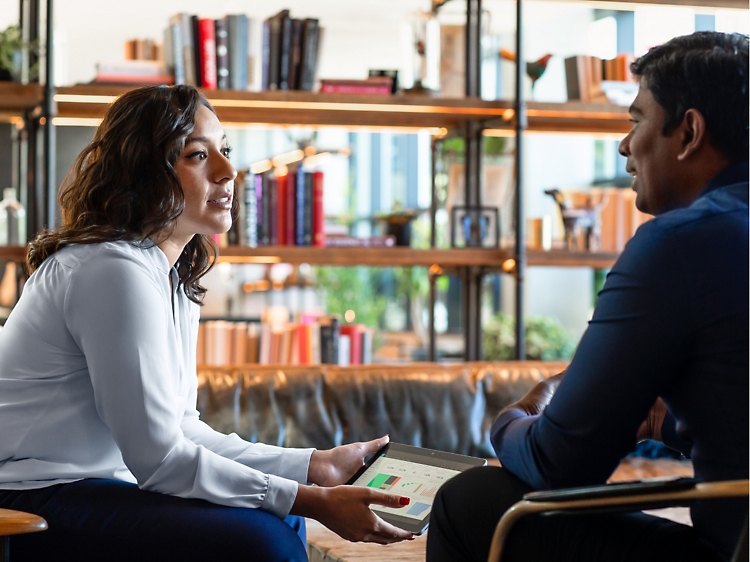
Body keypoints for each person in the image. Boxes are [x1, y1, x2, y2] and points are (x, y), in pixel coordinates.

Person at [0, 85, 414, 561]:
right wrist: (311, 498)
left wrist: (312, 466)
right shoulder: (109, 271)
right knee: (264, 540)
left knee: (280, 520)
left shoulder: (171, 276)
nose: (227, 171)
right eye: (198, 154)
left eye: (225, 150)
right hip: (25, 503)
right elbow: (161, 461)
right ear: (143, 173)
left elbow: (181, 431)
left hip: (88, 486)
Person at [427, 31, 748, 562]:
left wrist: (509, 421)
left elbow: (559, 463)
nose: (625, 145)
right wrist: (666, 423)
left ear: (688, 131)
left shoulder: (678, 244)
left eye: (636, 121)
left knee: (471, 498)